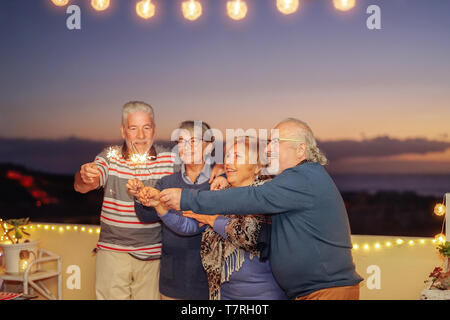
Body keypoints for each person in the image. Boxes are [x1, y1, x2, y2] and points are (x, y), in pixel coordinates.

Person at [159, 118, 364, 300]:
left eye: (275, 143)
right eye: (268, 143)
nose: (267, 150)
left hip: (326, 291)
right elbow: (253, 181)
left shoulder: (300, 179)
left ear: (301, 150)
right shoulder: (294, 180)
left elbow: (253, 195)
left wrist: (187, 197)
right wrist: (222, 176)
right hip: (314, 291)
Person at [73, 102, 224, 300]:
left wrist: (219, 168)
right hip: (113, 253)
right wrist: (85, 176)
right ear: (123, 131)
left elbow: (197, 165)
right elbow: (82, 185)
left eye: (146, 128)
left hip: (153, 257)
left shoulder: (170, 159)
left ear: (154, 129)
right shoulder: (109, 158)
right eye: (133, 128)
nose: (141, 136)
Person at [139, 136, 286, 300]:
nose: (229, 162)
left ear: (257, 166)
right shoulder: (219, 195)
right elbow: (189, 225)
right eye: (228, 156)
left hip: (263, 296)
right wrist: (159, 206)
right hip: (223, 294)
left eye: (237, 156)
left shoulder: (267, 196)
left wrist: (211, 219)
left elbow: (249, 236)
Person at [127, 121, 225, 300]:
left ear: (209, 146)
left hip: (209, 279)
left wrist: (223, 171)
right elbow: (146, 216)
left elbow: (192, 226)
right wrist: (141, 196)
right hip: (173, 278)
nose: (186, 147)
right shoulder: (167, 182)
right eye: (181, 141)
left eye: (193, 141)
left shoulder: (218, 182)